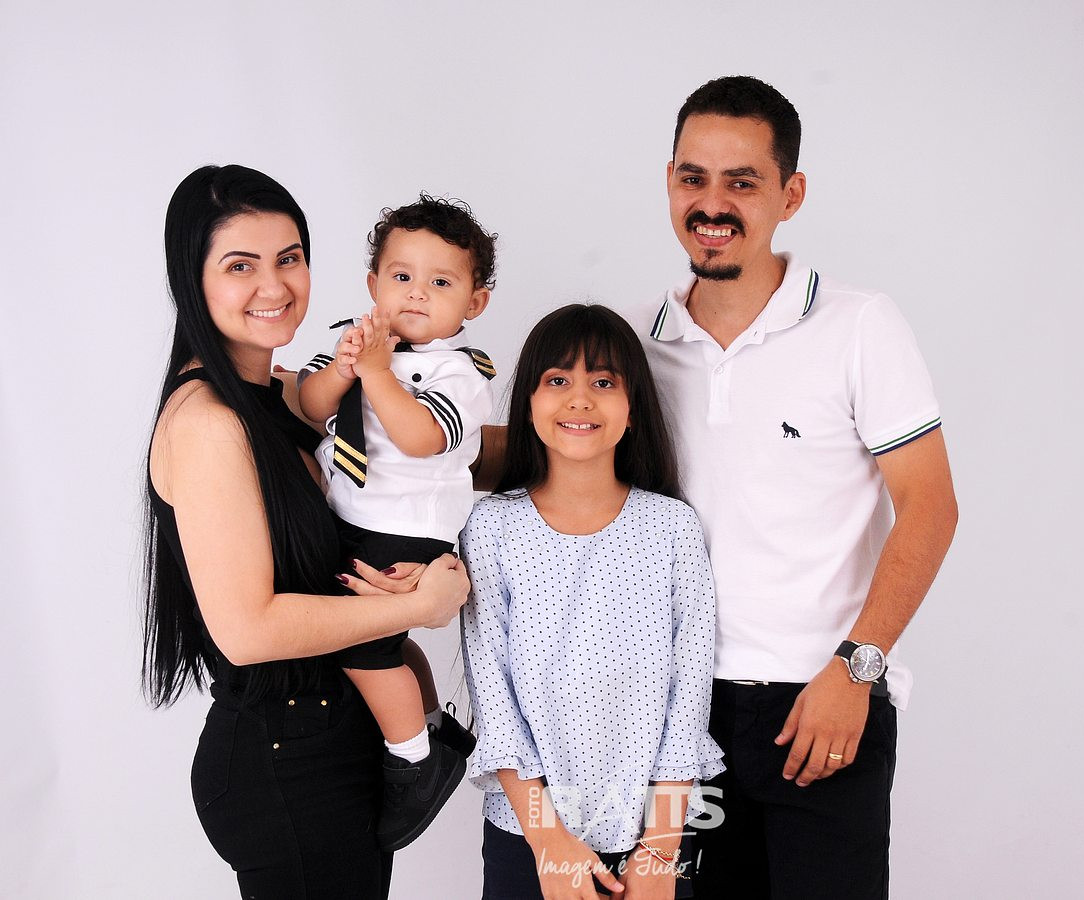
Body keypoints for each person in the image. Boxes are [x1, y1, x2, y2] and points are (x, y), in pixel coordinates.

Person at [633, 76, 959, 898]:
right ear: (668, 180)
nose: (712, 204)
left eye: (741, 182)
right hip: (677, 716)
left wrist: (856, 669)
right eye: (692, 177)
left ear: (791, 194)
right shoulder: (635, 343)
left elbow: (930, 505)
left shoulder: (859, 324)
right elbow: (544, 464)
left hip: (824, 702)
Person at [141, 164, 470, 899]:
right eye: (240, 266)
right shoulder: (209, 424)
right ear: (191, 279)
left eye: (289, 258)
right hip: (283, 763)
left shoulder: (284, 391)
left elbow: (420, 452)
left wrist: (577, 427)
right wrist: (419, 607)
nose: (274, 285)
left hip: (332, 742)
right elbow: (248, 631)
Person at [460, 304, 724, 899]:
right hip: (529, 837)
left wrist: (660, 850)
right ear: (528, 402)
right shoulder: (491, 528)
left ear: (633, 407)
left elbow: (688, 700)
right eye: (557, 380)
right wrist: (549, 840)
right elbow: (495, 701)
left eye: (603, 383)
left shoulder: (672, 528)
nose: (579, 400)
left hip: (655, 840)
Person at [298, 196, 496, 850]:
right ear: (373, 284)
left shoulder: (458, 372)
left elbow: (419, 437)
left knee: (360, 645)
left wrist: (378, 375)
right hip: (350, 515)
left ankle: (412, 760)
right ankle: (431, 724)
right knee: (379, 637)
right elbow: (311, 404)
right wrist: (345, 366)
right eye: (402, 276)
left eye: (440, 282)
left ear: (474, 303)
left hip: (406, 527)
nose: (416, 293)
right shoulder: (359, 344)